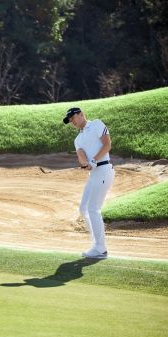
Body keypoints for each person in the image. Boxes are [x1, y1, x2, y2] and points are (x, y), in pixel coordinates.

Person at [63, 107, 115, 259]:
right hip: (94, 174)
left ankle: (101, 249)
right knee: (83, 208)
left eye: (73, 117)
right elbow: (81, 156)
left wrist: (94, 160)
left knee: (93, 208)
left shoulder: (97, 124)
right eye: (70, 120)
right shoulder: (77, 139)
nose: (72, 121)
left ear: (81, 114)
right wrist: (86, 163)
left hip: (104, 170)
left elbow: (107, 145)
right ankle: (96, 245)